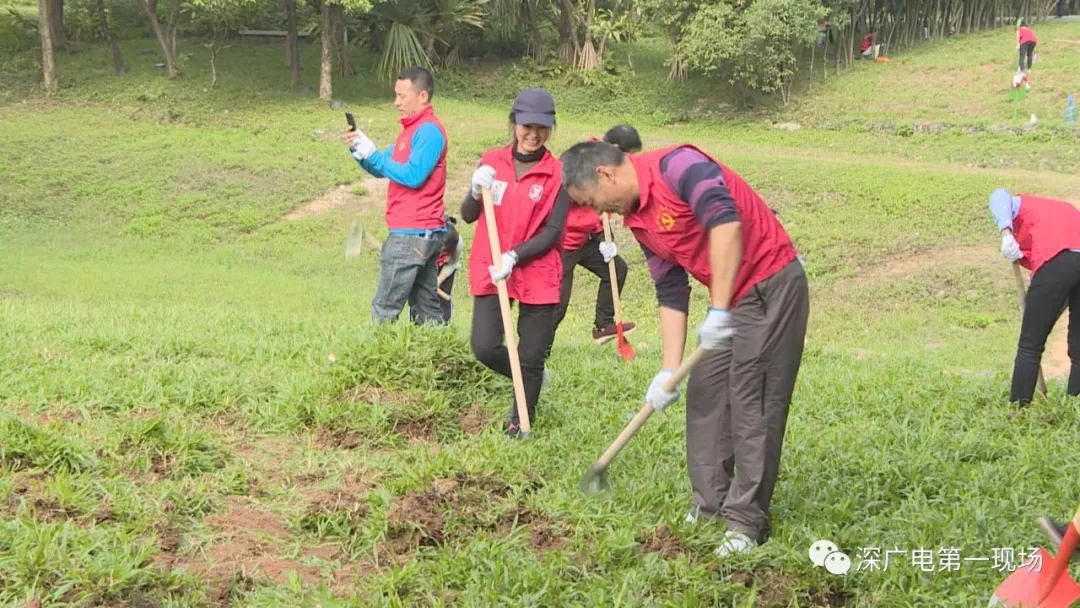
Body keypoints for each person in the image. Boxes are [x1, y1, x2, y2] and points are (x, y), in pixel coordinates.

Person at [559, 140, 809, 557]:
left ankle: (746, 522)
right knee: (706, 394)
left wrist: (719, 309)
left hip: (770, 285)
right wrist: (669, 369)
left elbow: (725, 223)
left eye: (592, 202)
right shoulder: (638, 218)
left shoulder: (679, 167)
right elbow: (670, 286)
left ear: (605, 174)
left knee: (753, 400)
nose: (600, 213)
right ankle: (709, 507)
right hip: (730, 297)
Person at [462, 88, 569, 439]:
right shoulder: (491, 162)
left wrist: (515, 255)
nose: (534, 134)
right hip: (492, 267)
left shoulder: (558, 174)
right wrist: (474, 191)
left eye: (542, 127)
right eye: (527, 126)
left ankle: (519, 423)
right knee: (484, 345)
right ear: (514, 123)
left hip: (537, 270)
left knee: (532, 353)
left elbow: (554, 231)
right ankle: (530, 377)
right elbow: (468, 215)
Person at [346, 66, 449, 326]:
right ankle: (433, 350)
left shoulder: (428, 131)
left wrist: (375, 155)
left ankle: (378, 351)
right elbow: (383, 167)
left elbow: (414, 176)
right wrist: (361, 152)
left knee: (385, 308)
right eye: (396, 95)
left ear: (422, 96)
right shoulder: (410, 131)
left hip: (411, 232)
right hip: (420, 232)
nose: (396, 102)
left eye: (402, 96)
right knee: (426, 311)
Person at [550, 125, 641, 347]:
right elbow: (560, 202)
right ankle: (537, 350)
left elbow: (602, 211)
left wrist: (605, 241)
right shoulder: (579, 161)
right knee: (558, 304)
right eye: (627, 157)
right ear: (616, 149)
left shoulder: (609, 170)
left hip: (586, 239)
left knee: (616, 270)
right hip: (564, 243)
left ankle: (603, 325)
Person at [990, 188, 1080, 404]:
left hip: (1058, 259)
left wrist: (1006, 233)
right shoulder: (1060, 211)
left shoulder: (1023, 206)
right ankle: (1073, 407)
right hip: (1065, 264)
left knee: (1030, 344)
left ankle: (1018, 409)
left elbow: (998, 194)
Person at [410, 214, 461, 325]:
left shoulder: (457, 242)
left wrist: (438, 281)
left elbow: (452, 264)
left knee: (442, 300)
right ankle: (416, 325)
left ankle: (444, 326)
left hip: (444, 268)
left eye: (444, 249)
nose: (441, 250)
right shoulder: (425, 237)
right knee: (419, 295)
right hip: (425, 263)